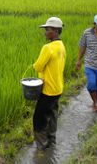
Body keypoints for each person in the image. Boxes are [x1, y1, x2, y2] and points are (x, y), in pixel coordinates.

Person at [32, 17, 66, 150]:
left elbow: (39, 67)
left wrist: (34, 65)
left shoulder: (47, 48)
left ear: (56, 31)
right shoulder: (61, 45)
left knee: (38, 118)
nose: (45, 32)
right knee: (52, 113)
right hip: (58, 87)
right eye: (45, 29)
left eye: (48, 29)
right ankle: (52, 138)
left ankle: (42, 146)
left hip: (48, 90)